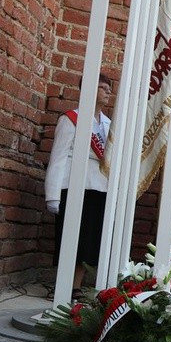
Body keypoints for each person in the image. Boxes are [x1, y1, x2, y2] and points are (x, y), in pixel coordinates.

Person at [45, 74, 113, 299]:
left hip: (98, 187)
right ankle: (62, 284)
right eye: (102, 87)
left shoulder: (108, 125)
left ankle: (76, 285)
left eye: (108, 88)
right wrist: (52, 195)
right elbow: (58, 157)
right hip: (73, 184)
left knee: (88, 240)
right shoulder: (70, 119)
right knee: (70, 237)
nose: (107, 92)